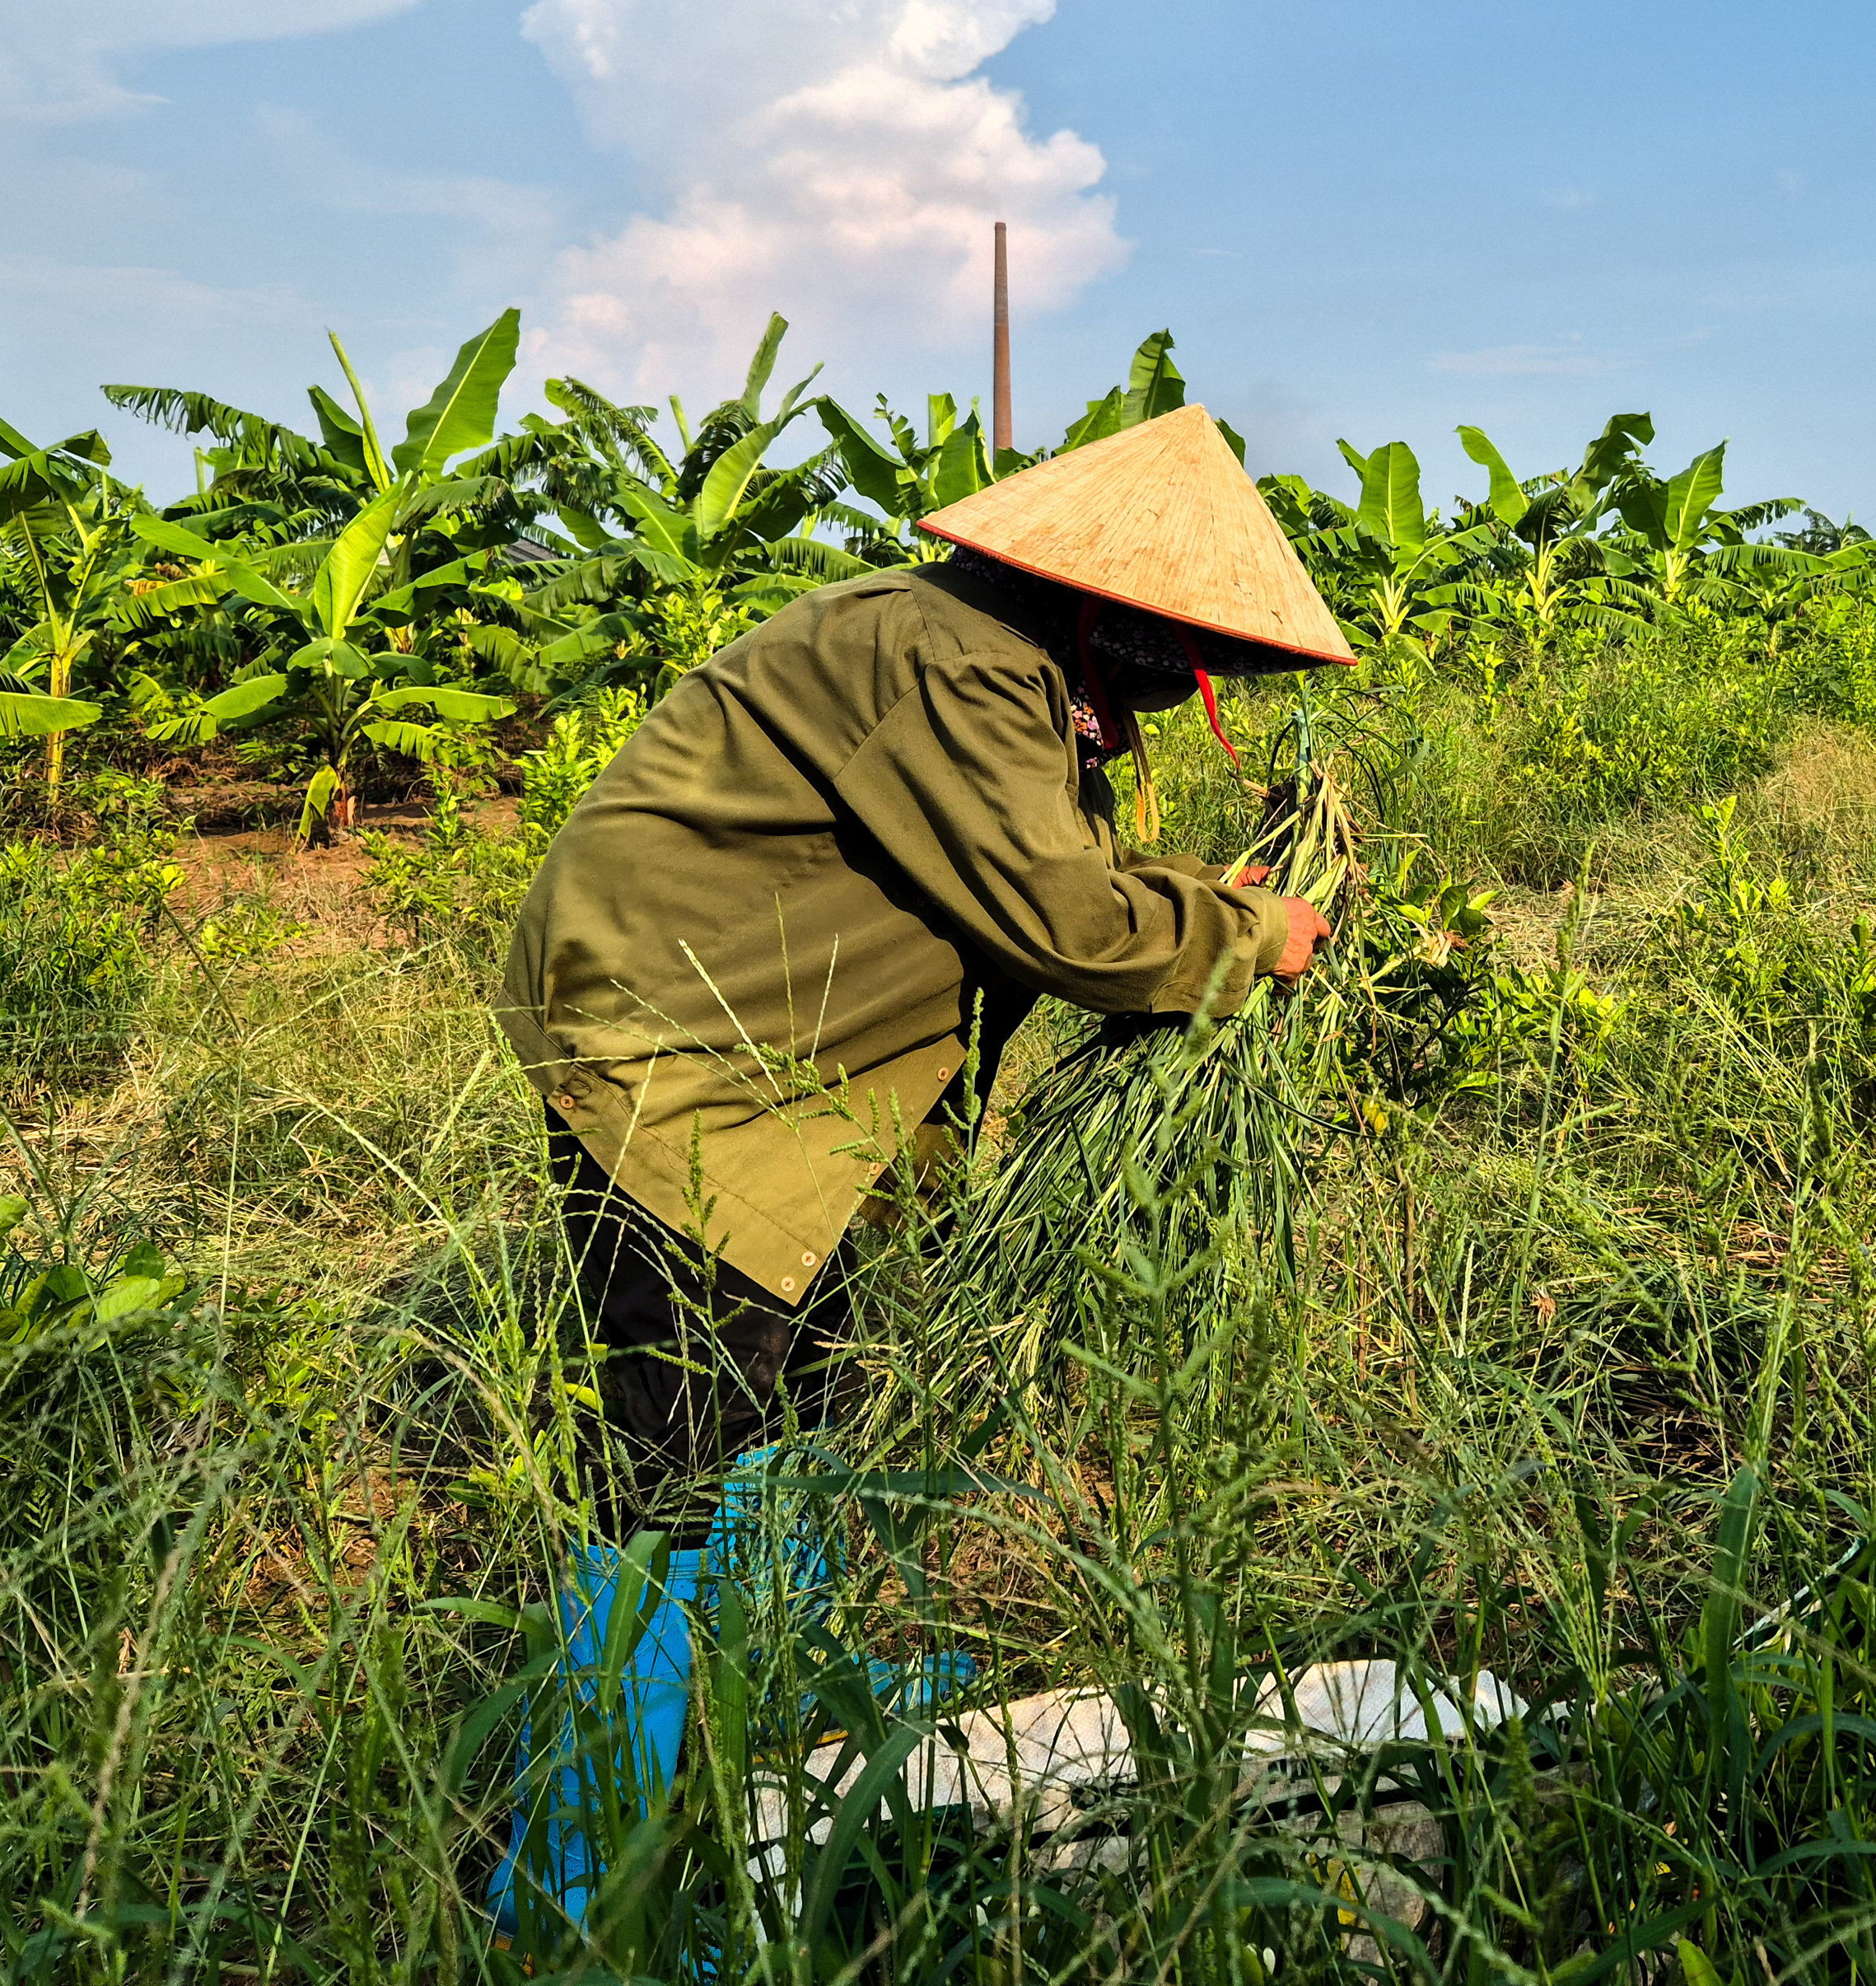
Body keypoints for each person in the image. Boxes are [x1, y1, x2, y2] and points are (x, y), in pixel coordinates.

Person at [484, 402, 1356, 1932]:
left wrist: (1188, 897)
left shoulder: (1014, 670)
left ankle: (782, 1695)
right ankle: (580, 1872)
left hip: (798, 1068)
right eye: (1185, 647)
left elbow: (1047, 873)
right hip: (691, 1058)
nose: (1192, 682)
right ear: (1113, 605)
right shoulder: (957, 662)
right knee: (674, 1461)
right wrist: (1247, 936)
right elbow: (1064, 923)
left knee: (813, 1398)